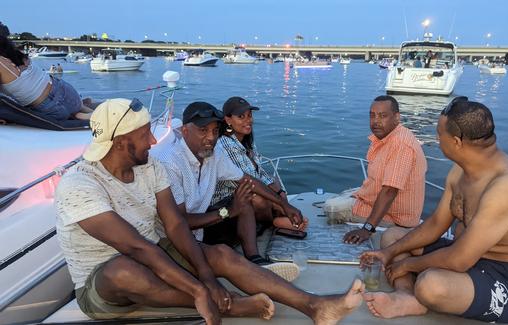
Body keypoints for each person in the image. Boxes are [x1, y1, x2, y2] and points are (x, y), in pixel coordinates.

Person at [55, 98, 365, 324]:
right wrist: (198, 288)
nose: (153, 140)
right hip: (102, 283)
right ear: (121, 142)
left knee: (220, 255)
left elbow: (175, 226)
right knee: (124, 269)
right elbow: (133, 246)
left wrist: (208, 275)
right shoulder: (79, 184)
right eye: (145, 135)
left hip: (153, 249)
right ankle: (235, 305)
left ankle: (315, 306)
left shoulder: (149, 167)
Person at [360, 97, 508, 323]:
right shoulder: (459, 172)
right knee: (392, 236)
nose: (436, 138)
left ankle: (420, 296)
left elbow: (458, 260)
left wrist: (406, 264)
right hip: (468, 256)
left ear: (456, 141)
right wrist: (389, 253)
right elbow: (436, 224)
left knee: (431, 285)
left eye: (439, 133)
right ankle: (406, 296)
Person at [155, 101, 306, 266]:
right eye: (203, 131)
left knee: (244, 197)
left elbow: (248, 179)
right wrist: (228, 211)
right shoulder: (170, 163)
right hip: (176, 239)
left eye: (215, 131)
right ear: (184, 131)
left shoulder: (213, 155)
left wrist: (284, 205)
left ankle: (255, 259)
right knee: (235, 218)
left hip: (202, 230)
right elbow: (180, 222)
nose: (211, 138)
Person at [213, 96, 308, 231]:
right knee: (259, 199)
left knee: (274, 182)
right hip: (226, 200)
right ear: (228, 120)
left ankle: (284, 216)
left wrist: (281, 195)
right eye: (241, 117)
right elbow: (249, 183)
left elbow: (259, 172)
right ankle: (273, 223)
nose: (248, 120)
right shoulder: (225, 145)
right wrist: (282, 205)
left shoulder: (246, 140)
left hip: (248, 187)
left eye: (249, 116)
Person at [343, 95, 427, 245]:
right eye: (372, 116)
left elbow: (389, 191)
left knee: (331, 207)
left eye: (383, 116)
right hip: (377, 201)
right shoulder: (389, 136)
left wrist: (367, 229)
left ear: (396, 117)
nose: (376, 121)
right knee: (346, 194)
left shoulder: (400, 145)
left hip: (393, 218)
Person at [0, 32, 93, 120]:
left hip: (50, 109)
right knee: (78, 107)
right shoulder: (20, 56)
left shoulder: (2, 64)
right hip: (67, 91)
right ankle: (84, 110)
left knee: (71, 113)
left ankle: (78, 114)